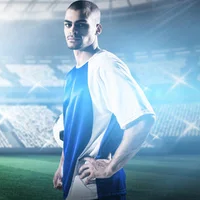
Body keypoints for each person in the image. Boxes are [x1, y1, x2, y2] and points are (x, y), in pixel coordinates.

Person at [52, 1, 157, 199]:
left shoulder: (106, 65)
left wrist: (109, 168)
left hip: (96, 188)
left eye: (81, 24)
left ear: (97, 28)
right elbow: (70, 131)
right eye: (68, 24)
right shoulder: (71, 75)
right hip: (75, 182)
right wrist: (62, 167)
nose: (72, 30)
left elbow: (143, 119)